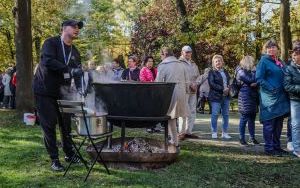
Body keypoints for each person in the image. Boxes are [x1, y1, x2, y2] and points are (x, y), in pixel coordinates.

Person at [33, 19, 84, 171]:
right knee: (49, 124)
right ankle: (54, 159)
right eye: (73, 26)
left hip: (64, 92)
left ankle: (69, 153)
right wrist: (69, 69)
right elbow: (48, 61)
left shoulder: (75, 52)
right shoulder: (51, 43)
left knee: (66, 124)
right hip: (45, 90)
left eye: (78, 27)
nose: (77, 29)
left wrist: (81, 89)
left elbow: (78, 73)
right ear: (63, 28)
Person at [256, 39, 290, 156]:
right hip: (269, 98)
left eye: (273, 47)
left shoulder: (279, 61)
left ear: (277, 49)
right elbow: (259, 78)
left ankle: (277, 146)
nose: (271, 49)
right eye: (269, 47)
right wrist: (271, 88)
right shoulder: (263, 61)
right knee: (269, 123)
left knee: (278, 124)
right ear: (265, 50)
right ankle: (269, 148)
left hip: (281, 97)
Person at [155, 47, 189, 149]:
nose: (161, 58)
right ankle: (176, 139)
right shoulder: (182, 64)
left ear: (164, 55)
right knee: (178, 117)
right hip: (182, 93)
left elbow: (158, 83)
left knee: (170, 118)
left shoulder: (163, 65)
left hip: (170, 94)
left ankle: (174, 142)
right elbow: (187, 81)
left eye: (161, 56)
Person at [178, 46, 200, 140]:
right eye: (186, 52)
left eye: (190, 52)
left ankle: (188, 131)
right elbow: (178, 77)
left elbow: (198, 76)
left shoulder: (193, 64)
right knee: (183, 111)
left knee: (192, 111)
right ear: (182, 52)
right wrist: (189, 84)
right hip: (184, 90)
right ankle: (181, 133)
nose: (188, 53)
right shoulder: (178, 63)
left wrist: (196, 83)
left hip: (193, 91)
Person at [236, 56, 259, 145]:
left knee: (252, 118)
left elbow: (257, 80)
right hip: (245, 96)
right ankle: (241, 138)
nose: (254, 64)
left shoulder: (249, 71)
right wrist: (254, 73)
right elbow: (251, 80)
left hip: (252, 96)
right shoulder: (240, 71)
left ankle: (252, 138)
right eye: (253, 62)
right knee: (244, 118)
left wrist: (256, 83)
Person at [208, 55, 231, 139]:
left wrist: (228, 88)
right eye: (216, 61)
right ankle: (214, 132)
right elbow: (212, 84)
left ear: (222, 62)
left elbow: (229, 81)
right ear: (213, 63)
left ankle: (225, 133)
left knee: (226, 115)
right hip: (215, 97)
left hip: (226, 96)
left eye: (219, 61)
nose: (218, 62)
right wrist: (222, 89)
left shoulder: (225, 71)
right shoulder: (211, 72)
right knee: (215, 114)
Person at [284, 41, 300, 157]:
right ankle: (296, 148)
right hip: (295, 100)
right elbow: (287, 86)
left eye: (298, 54)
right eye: (294, 54)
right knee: (295, 124)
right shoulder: (289, 68)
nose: (296, 56)